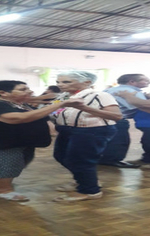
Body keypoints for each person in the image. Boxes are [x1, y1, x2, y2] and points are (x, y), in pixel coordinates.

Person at [0, 80, 82, 202]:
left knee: (19, 162)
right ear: (3, 93)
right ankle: (1, 190)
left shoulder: (19, 104)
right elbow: (18, 118)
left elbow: (39, 116)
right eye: (23, 89)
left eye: (28, 89)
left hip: (17, 142)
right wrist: (60, 104)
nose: (29, 91)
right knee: (7, 164)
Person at [51, 71, 122, 202]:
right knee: (61, 156)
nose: (60, 85)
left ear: (87, 82)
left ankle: (90, 191)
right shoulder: (64, 96)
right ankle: (84, 179)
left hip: (91, 130)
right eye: (58, 82)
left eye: (66, 82)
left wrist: (84, 108)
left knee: (81, 160)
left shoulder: (100, 95)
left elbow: (116, 116)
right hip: (67, 130)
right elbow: (54, 111)